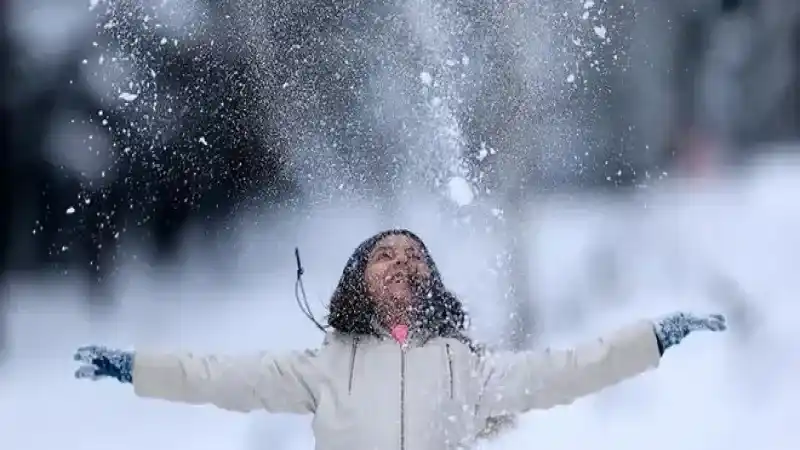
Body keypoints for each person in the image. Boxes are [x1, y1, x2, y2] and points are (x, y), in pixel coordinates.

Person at [74, 229, 727, 450]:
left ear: (431, 279)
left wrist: (654, 338)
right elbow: (214, 374)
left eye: (414, 254)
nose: (402, 261)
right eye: (383, 254)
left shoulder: (467, 368)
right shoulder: (324, 366)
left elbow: (569, 369)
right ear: (356, 280)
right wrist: (135, 368)